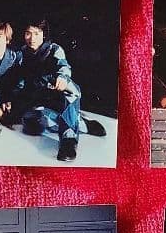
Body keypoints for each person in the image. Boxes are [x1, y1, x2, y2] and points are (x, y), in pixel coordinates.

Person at [12, 19, 107, 162]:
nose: (32, 38)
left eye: (36, 33)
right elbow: (19, 80)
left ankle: (68, 139)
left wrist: (62, 78)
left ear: (44, 34)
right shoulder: (21, 53)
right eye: (28, 33)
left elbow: (63, 66)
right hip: (39, 98)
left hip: (58, 94)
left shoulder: (54, 49)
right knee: (30, 123)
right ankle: (81, 124)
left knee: (71, 89)